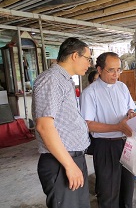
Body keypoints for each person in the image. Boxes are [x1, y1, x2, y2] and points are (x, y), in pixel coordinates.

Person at [32, 37, 91, 208]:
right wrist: (69, 165)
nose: (89, 64)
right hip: (60, 162)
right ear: (74, 56)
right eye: (87, 59)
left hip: (72, 159)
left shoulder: (64, 80)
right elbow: (44, 126)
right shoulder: (51, 79)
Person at [80, 52, 136, 208]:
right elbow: (88, 124)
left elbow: (130, 108)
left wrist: (131, 114)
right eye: (111, 70)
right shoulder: (90, 93)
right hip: (105, 146)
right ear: (99, 69)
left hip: (125, 144)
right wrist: (117, 127)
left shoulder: (122, 87)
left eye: (119, 70)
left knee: (127, 189)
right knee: (108, 193)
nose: (116, 74)